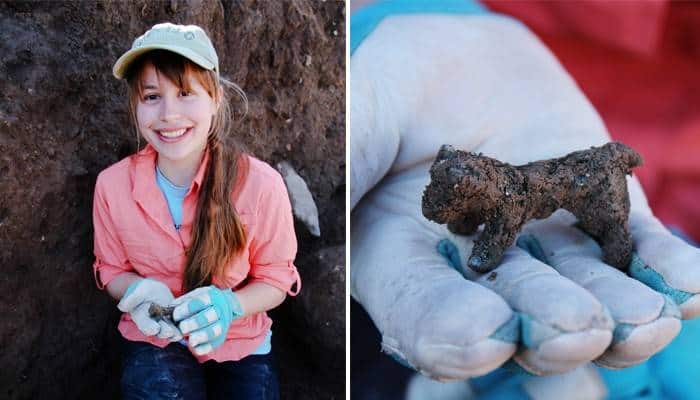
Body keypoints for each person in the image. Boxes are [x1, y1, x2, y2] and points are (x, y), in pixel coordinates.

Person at [350, 0, 700, 398]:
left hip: (674, 213)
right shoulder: (484, 179)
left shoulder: (510, 200)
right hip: (501, 57)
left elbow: (498, 233)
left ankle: (619, 244)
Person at [91, 23, 300, 400]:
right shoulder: (111, 186)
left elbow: (276, 279)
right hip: (156, 341)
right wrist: (139, 292)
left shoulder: (262, 185)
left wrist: (228, 305)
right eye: (152, 96)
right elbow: (110, 271)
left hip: (241, 341)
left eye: (186, 93)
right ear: (135, 107)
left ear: (215, 98)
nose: (169, 114)